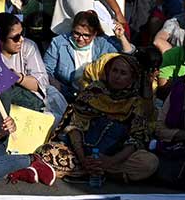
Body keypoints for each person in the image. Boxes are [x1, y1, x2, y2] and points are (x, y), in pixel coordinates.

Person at [36, 54, 159, 183]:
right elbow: (74, 126)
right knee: (46, 152)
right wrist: (83, 158)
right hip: (82, 152)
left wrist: (110, 161)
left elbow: (136, 139)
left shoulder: (137, 102)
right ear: (107, 71)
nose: (117, 76)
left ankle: (98, 170)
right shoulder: (94, 91)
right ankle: (92, 170)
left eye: (123, 73)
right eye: (114, 71)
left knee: (148, 162)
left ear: (132, 78)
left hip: (115, 157)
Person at [0, 13, 66, 121]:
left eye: (22, 33)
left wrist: (17, 77)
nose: (21, 39)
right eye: (16, 37)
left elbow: (41, 83)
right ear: (0, 39)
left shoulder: (28, 46)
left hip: (35, 104)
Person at [43, 10, 134, 101]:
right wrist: (55, 84)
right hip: (65, 94)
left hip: (97, 97)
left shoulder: (103, 43)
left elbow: (127, 57)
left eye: (86, 35)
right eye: (76, 33)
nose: (80, 39)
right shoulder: (58, 43)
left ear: (95, 34)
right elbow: (45, 70)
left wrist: (122, 37)